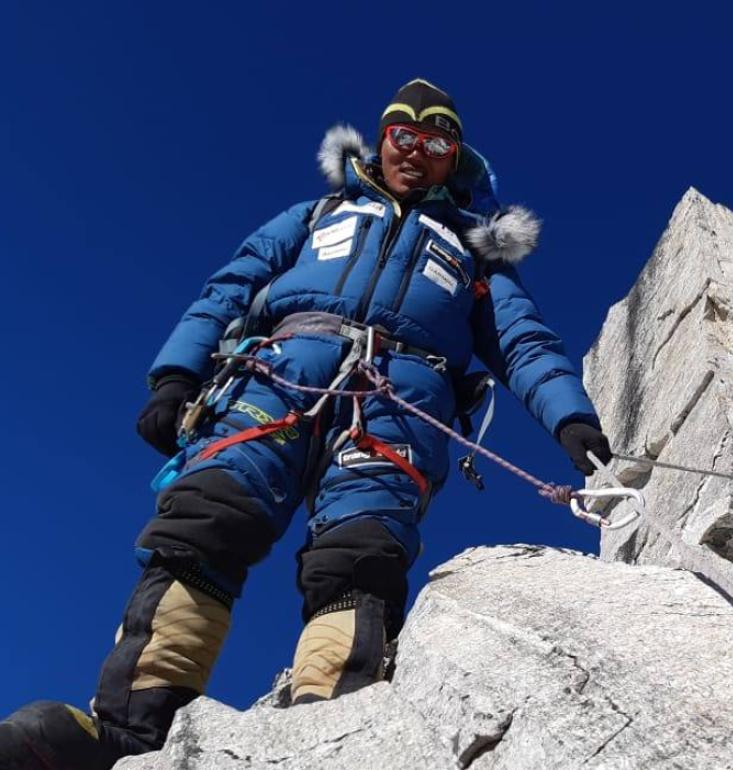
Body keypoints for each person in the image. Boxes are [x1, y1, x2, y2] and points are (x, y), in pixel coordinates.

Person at [0, 78, 611, 769]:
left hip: (395, 405)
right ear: (380, 141)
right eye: (402, 134)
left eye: (437, 141)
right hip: (276, 374)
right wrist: (176, 375)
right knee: (205, 519)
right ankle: (131, 733)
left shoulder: (474, 258)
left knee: (360, 553)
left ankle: (325, 734)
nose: (416, 151)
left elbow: (523, 343)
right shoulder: (319, 212)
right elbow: (232, 284)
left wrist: (572, 422)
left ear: (456, 160)